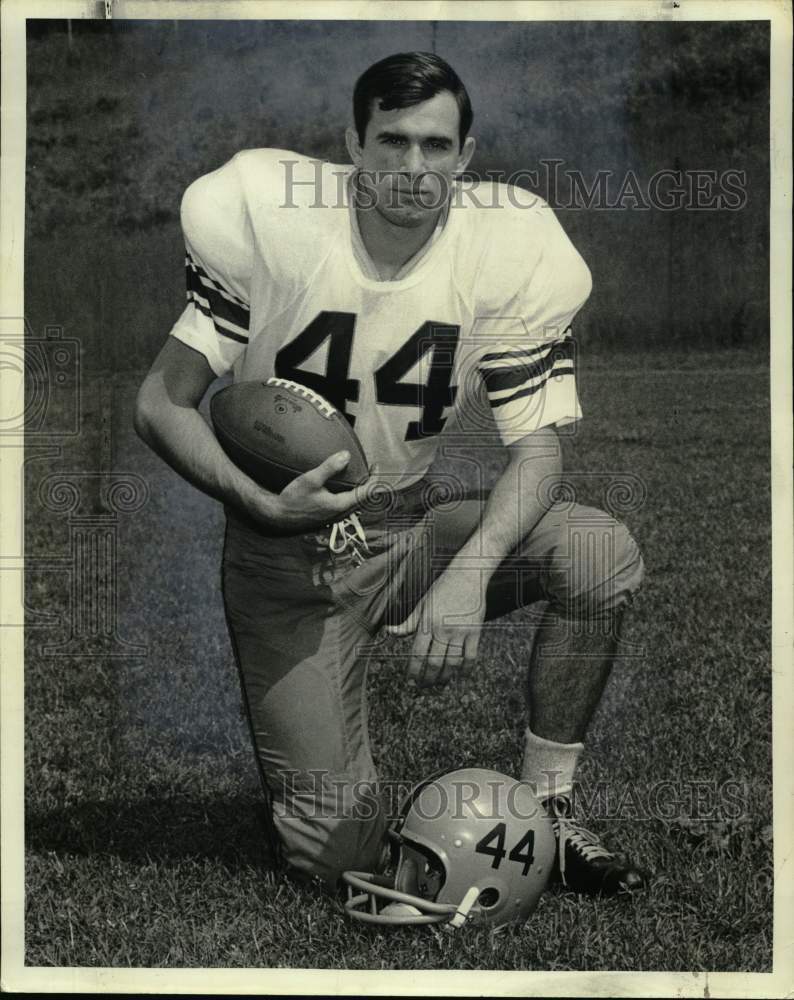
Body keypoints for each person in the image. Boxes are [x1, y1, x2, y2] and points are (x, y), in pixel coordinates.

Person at [134, 51, 647, 900]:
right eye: (393, 142)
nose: (414, 168)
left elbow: (540, 451)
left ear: (467, 156)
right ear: (353, 146)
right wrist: (259, 497)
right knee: (339, 860)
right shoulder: (275, 223)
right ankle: (351, 804)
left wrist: (469, 574)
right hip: (284, 563)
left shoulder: (506, 248)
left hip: (406, 533)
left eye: (436, 146)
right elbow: (161, 402)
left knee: (599, 553)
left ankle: (551, 806)